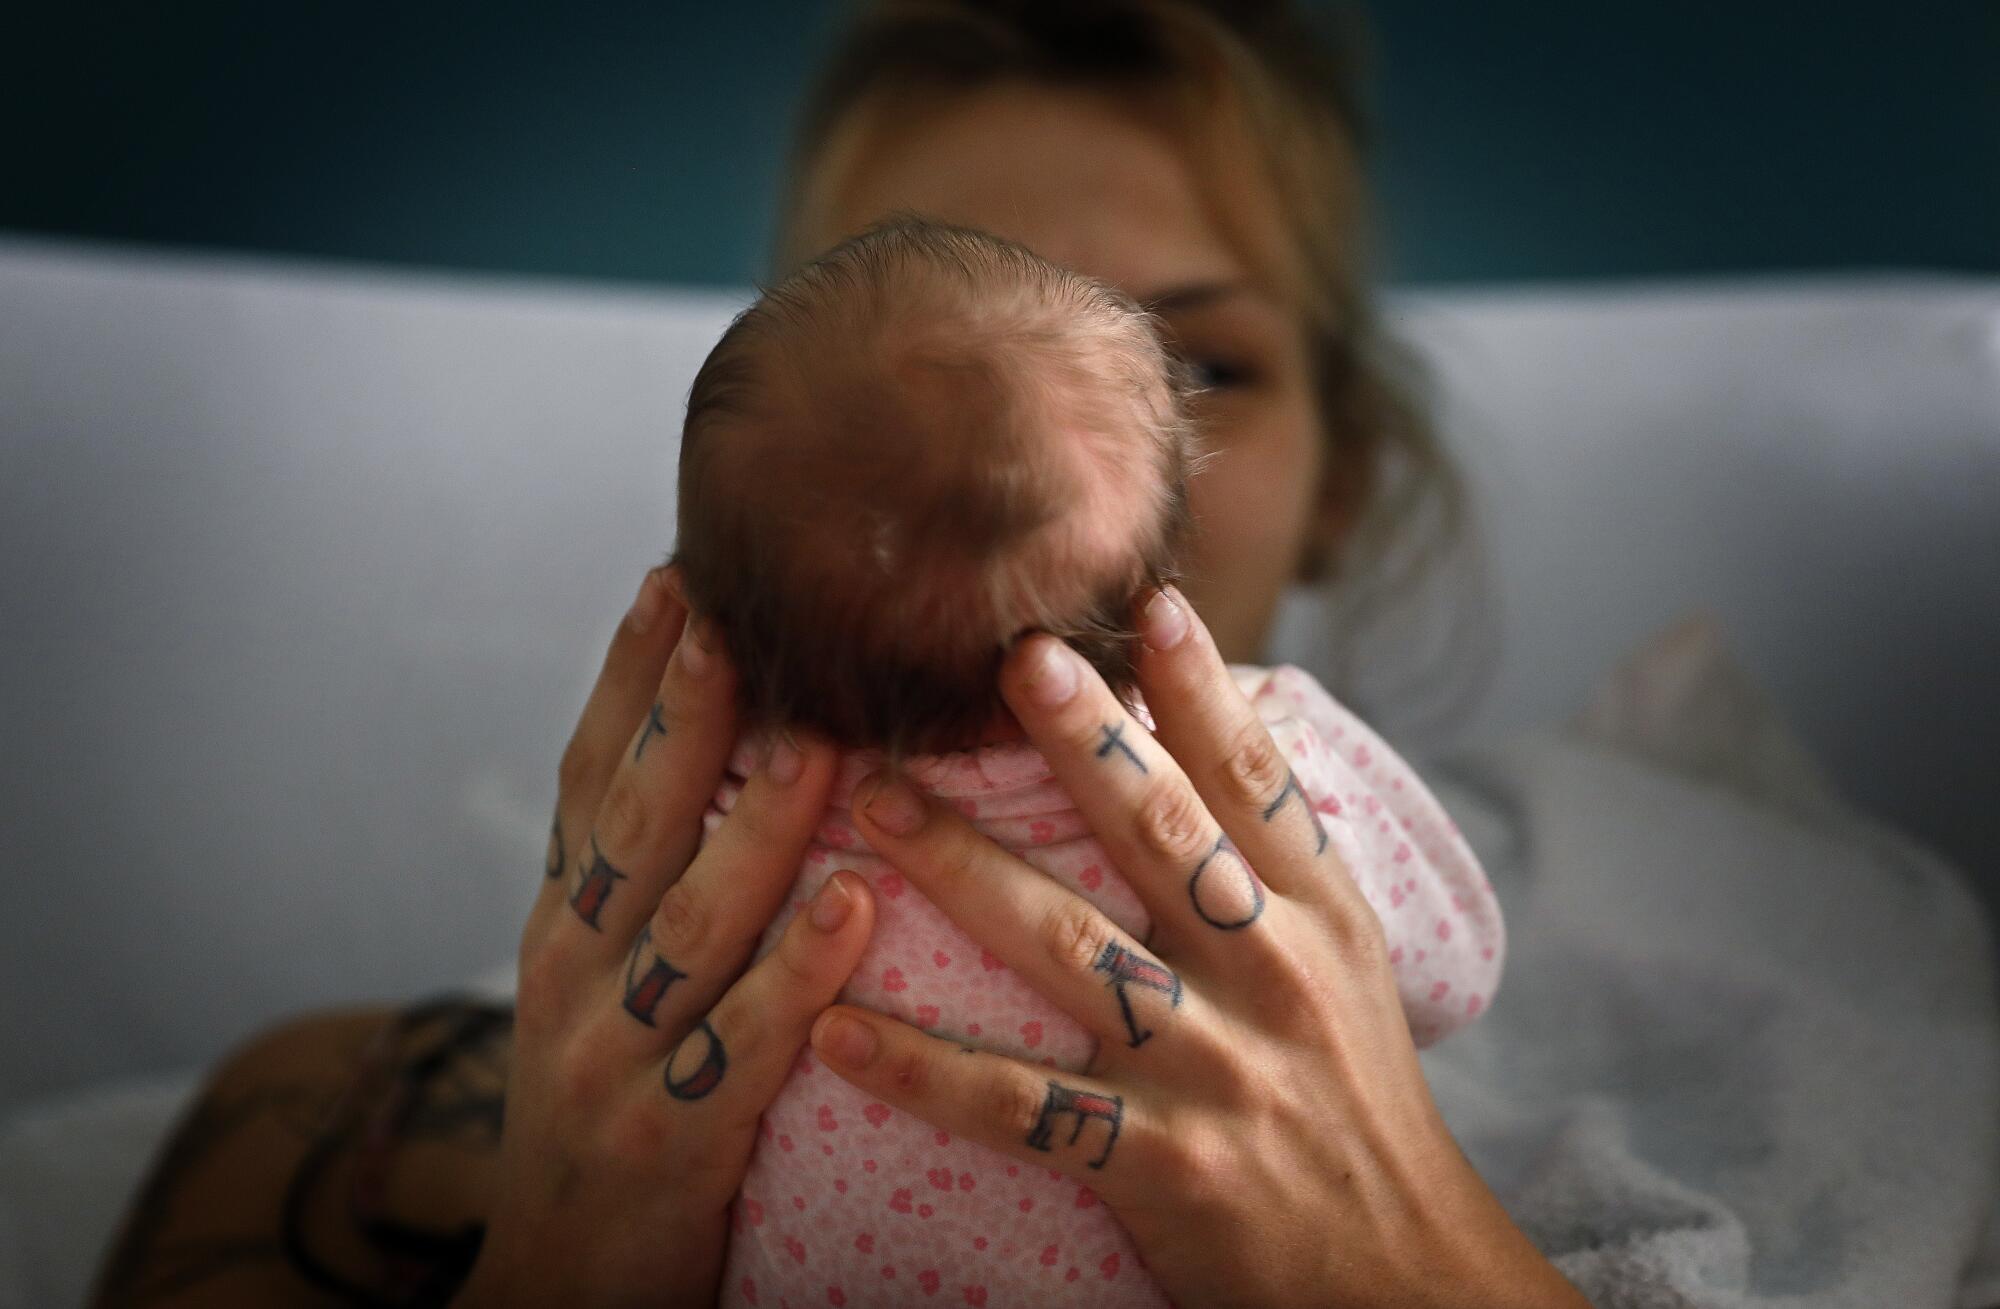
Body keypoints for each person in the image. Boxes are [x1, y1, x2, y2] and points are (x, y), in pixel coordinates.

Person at [88, 3, 1594, 1306]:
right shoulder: (344, 1122)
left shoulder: (1742, 977)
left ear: (1346, 482)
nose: (1034, 466)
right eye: (930, 394)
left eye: (1198, 360)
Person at [665, 215, 1504, 1306]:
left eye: (1210, 361)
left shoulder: (703, 830)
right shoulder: (1266, 784)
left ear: (717, 610)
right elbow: (1447, 977)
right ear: (1156, 584)